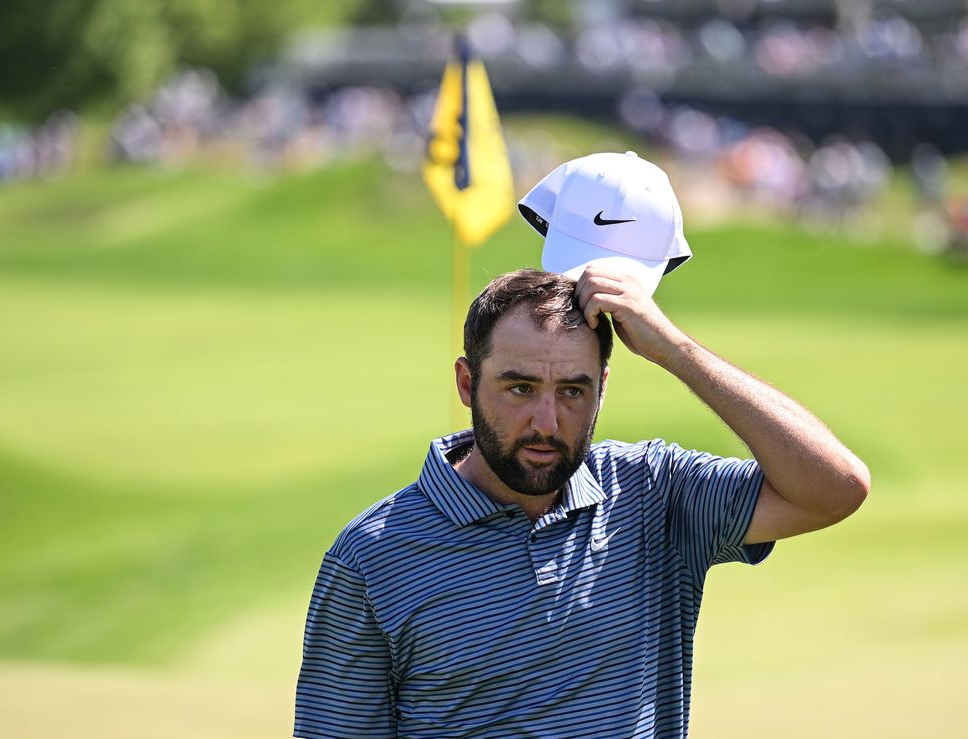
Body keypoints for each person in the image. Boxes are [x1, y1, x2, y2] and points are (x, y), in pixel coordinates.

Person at [294, 153, 870, 739]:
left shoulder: (656, 492)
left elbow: (836, 487)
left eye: (573, 390)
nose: (546, 420)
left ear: (602, 391)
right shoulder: (372, 557)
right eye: (520, 387)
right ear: (467, 383)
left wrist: (672, 347)